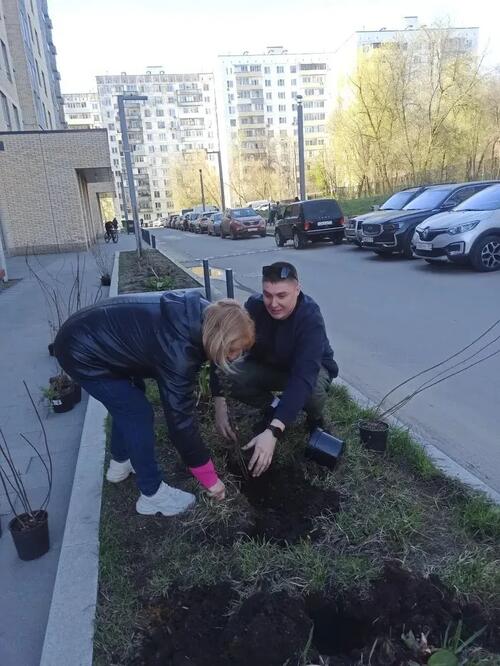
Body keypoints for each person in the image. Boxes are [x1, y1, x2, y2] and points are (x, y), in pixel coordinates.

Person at [54, 292, 255, 516]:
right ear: (218, 340)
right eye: (232, 350)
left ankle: (120, 462)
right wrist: (210, 479)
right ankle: (152, 494)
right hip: (80, 352)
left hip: (94, 338)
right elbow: (181, 423)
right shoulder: (179, 351)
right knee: (137, 413)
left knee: (129, 400)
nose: (234, 357)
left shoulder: (206, 315)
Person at [213, 261, 338, 478]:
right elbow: (223, 347)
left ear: (297, 290)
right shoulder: (254, 307)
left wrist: (273, 431)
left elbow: (304, 376)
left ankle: (314, 420)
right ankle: (274, 406)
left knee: (312, 393)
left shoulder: (310, 318)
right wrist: (219, 404)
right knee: (231, 375)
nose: (273, 303)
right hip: (269, 365)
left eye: (282, 295)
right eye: (267, 295)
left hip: (308, 370)